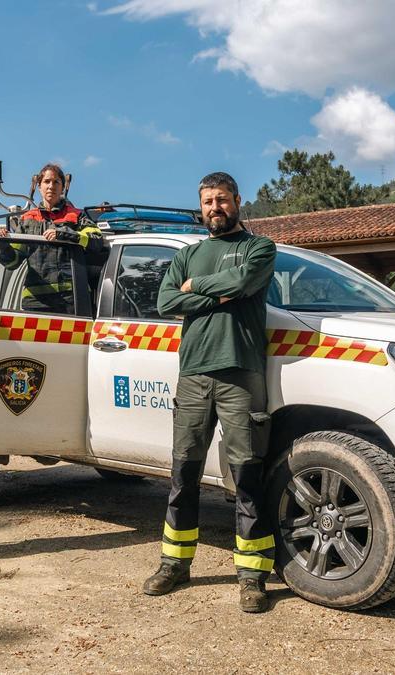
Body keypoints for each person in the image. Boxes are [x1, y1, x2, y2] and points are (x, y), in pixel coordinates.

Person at [145, 172, 277, 613]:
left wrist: (196, 286)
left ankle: (252, 577)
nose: (214, 207)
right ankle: (174, 564)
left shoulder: (259, 248)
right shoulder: (188, 254)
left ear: (237, 200)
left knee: (247, 479)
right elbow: (166, 302)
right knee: (183, 474)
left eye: (221, 199)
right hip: (194, 375)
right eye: (207, 201)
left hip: (241, 374)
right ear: (200, 206)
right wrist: (217, 294)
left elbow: (242, 284)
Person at [0, 163, 104, 313]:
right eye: (47, 181)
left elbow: (96, 240)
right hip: (36, 302)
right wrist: (3, 244)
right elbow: (12, 263)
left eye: (56, 182)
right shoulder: (27, 219)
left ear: (63, 187)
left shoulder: (77, 216)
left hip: (72, 299)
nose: (51, 186)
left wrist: (64, 234)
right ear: (39, 186)